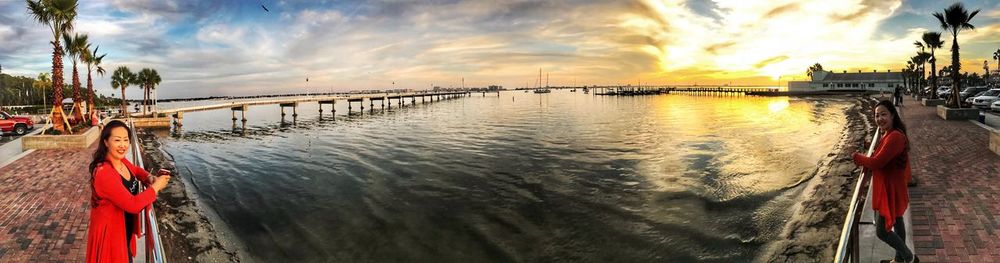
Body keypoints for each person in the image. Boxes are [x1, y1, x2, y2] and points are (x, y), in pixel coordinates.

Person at [85, 120, 171, 262]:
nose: (123, 145)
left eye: (126, 140)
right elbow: (133, 205)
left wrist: (149, 178)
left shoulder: (121, 160)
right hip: (111, 235)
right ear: (106, 142)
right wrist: (156, 187)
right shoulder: (104, 172)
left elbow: (136, 170)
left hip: (124, 229)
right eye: (117, 140)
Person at [852, 100, 917, 263]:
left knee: (881, 231)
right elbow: (882, 153)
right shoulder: (888, 133)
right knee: (898, 220)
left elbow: (876, 162)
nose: (879, 118)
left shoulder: (894, 136)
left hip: (890, 189)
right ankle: (899, 259)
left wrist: (857, 157)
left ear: (893, 115)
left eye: (883, 114)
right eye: (876, 115)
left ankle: (908, 257)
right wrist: (871, 148)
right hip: (893, 186)